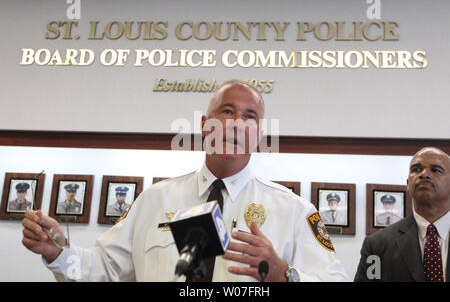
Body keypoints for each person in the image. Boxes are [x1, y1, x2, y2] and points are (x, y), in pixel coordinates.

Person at [21, 80, 348, 282]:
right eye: (227, 112)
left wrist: (285, 277)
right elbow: (105, 270)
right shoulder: (154, 200)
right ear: (206, 125)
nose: (236, 124)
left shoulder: (293, 210)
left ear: (259, 134)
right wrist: (58, 252)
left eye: (250, 117)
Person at [354, 147, 450, 282]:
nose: (424, 174)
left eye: (435, 170)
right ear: (407, 184)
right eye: (416, 169)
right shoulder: (377, 245)